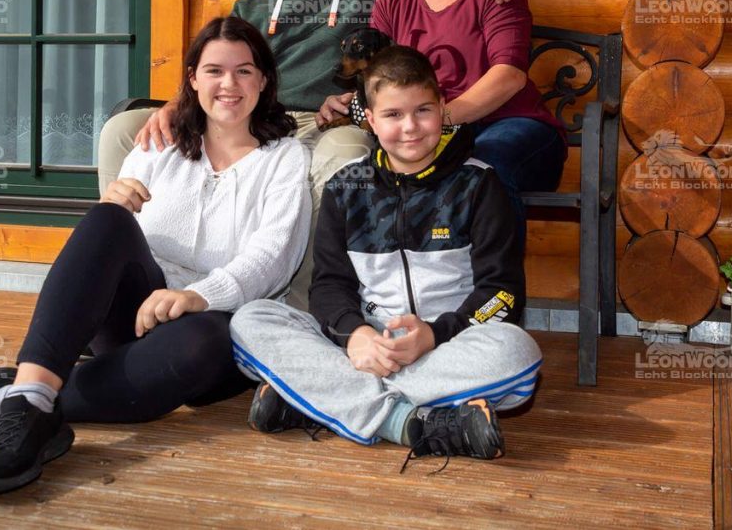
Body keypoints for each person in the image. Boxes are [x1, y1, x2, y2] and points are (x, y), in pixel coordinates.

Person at [0, 16, 311, 497]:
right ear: (193, 79)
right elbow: (109, 246)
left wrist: (197, 295)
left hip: (211, 330)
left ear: (264, 81)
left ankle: (11, 400)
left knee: (208, 337)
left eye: (244, 71)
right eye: (214, 71)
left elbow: (273, 255)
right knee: (107, 219)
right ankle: (29, 406)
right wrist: (115, 203)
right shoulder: (159, 143)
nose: (228, 84)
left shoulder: (285, 158)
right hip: (133, 317)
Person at [99, 0, 522, 308]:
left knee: (347, 155)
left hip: (327, 122)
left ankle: (301, 309)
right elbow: (219, 62)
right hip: (250, 116)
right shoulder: (255, 4)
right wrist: (177, 104)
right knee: (123, 129)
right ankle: (122, 275)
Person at [230, 47, 542, 470]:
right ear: (371, 121)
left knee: (517, 350)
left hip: (449, 344)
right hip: (365, 347)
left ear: (443, 109)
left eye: (423, 111)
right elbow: (328, 286)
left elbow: (502, 295)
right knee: (251, 320)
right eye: (393, 115)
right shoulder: (347, 187)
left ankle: (319, 400)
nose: (410, 127)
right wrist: (355, 334)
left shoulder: (479, 184)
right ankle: (409, 423)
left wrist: (434, 335)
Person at [317, 0, 567, 247]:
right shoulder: (391, 2)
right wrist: (354, 104)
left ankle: (495, 295)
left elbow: (510, 75)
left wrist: (439, 119)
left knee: (480, 166)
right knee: (376, 169)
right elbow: (383, 81)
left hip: (510, 125)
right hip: (429, 131)